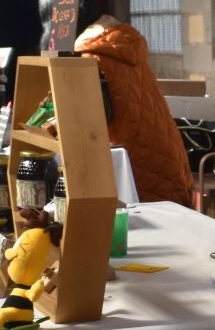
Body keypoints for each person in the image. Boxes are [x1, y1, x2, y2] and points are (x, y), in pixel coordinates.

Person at [73, 14, 195, 205]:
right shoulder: (128, 48)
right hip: (164, 146)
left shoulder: (91, 57)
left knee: (146, 223)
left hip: (133, 154)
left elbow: (96, 117)